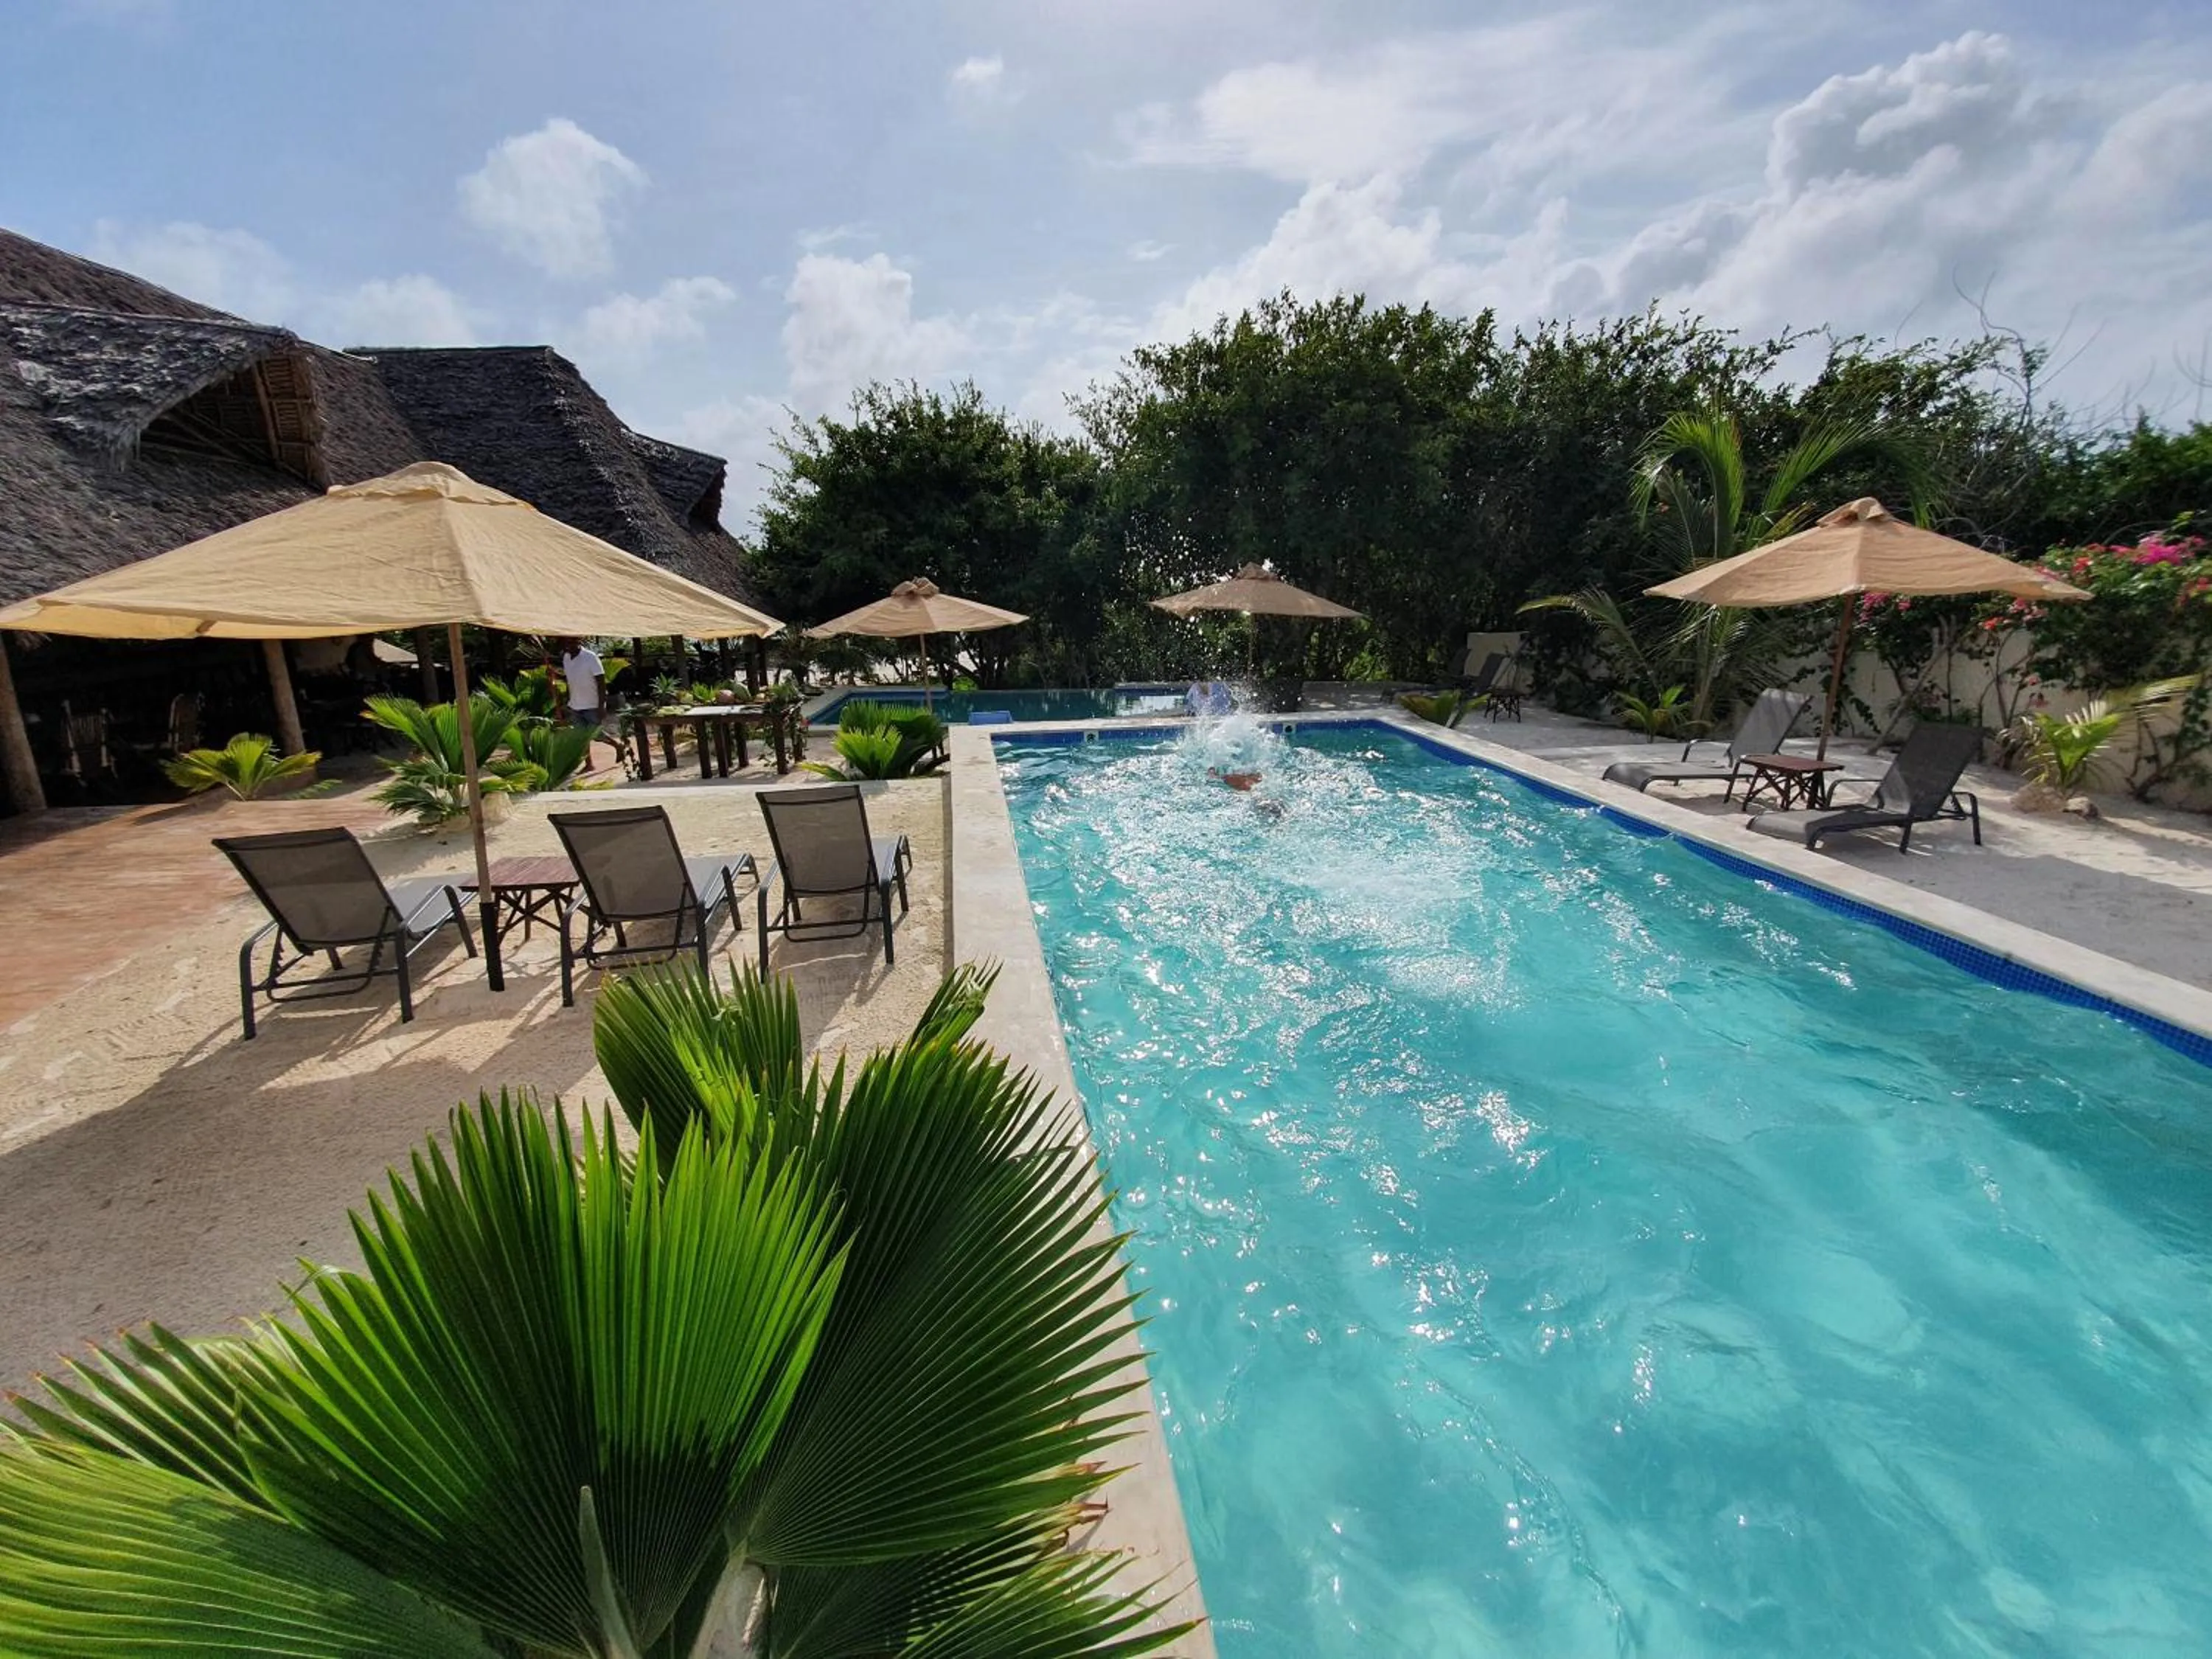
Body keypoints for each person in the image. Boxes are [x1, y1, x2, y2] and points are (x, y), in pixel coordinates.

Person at [557, 637, 606, 772]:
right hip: (575, 704)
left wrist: (601, 705)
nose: (570, 646)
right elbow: (570, 679)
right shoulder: (566, 658)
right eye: (567, 643)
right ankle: (589, 764)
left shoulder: (590, 657)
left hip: (591, 703)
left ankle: (618, 746)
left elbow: (601, 682)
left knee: (597, 735)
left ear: (580, 642)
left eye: (573, 642)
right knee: (581, 737)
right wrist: (555, 676)